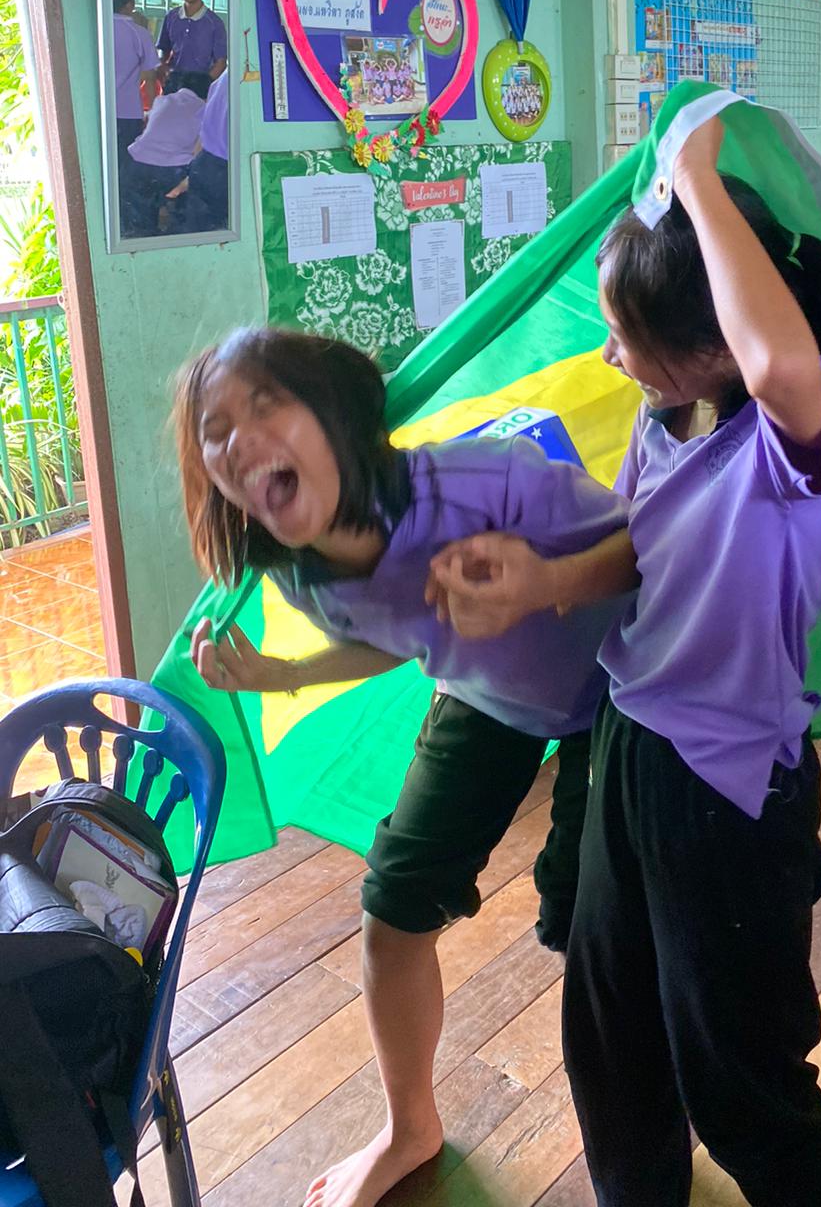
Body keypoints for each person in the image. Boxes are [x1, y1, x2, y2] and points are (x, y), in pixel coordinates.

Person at [431, 113, 821, 1207]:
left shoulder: (808, 430)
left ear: (715, 345)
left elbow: (779, 363)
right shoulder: (675, 412)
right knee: (610, 1018)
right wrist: (540, 583)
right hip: (630, 743)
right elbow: (640, 546)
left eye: (625, 333)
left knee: (736, 1058)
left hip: (726, 785)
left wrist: (695, 176)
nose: (611, 353)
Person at [174, 327, 630, 1207]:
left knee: (594, 921)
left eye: (265, 405)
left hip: (620, 689)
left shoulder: (488, 480)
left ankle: (646, 1113)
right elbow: (392, 634)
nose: (237, 441)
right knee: (393, 911)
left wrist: (542, 582)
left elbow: (649, 551)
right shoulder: (299, 572)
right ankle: (408, 1127)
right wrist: (284, 673)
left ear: (336, 412)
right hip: (485, 695)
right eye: (215, 432)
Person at [123, 70, 210, 238]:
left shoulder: (161, 101)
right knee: (183, 211)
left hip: (136, 163)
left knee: (139, 221)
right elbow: (199, 151)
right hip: (173, 170)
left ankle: (143, 237)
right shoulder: (204, 109)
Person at [156, 0, 227, 81]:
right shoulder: (172, 16)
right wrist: (162, 67)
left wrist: (204, 83)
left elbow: (220, 62)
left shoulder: (214, 23)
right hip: (174, 81)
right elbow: (163, 48)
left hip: (200, 83)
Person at [110, 0, 158, 148]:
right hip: (128, 111)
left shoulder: (96, 28)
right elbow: (150, 77)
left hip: (96, 110)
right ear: (130, 4)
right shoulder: (139, 33)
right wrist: (153, 113)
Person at [183, 67, 230, 233]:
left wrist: (192, 170)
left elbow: (203, 131)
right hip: (225, 171)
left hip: (205, 164)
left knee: (200, 233)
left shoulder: (225, 77)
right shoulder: (255, 79)